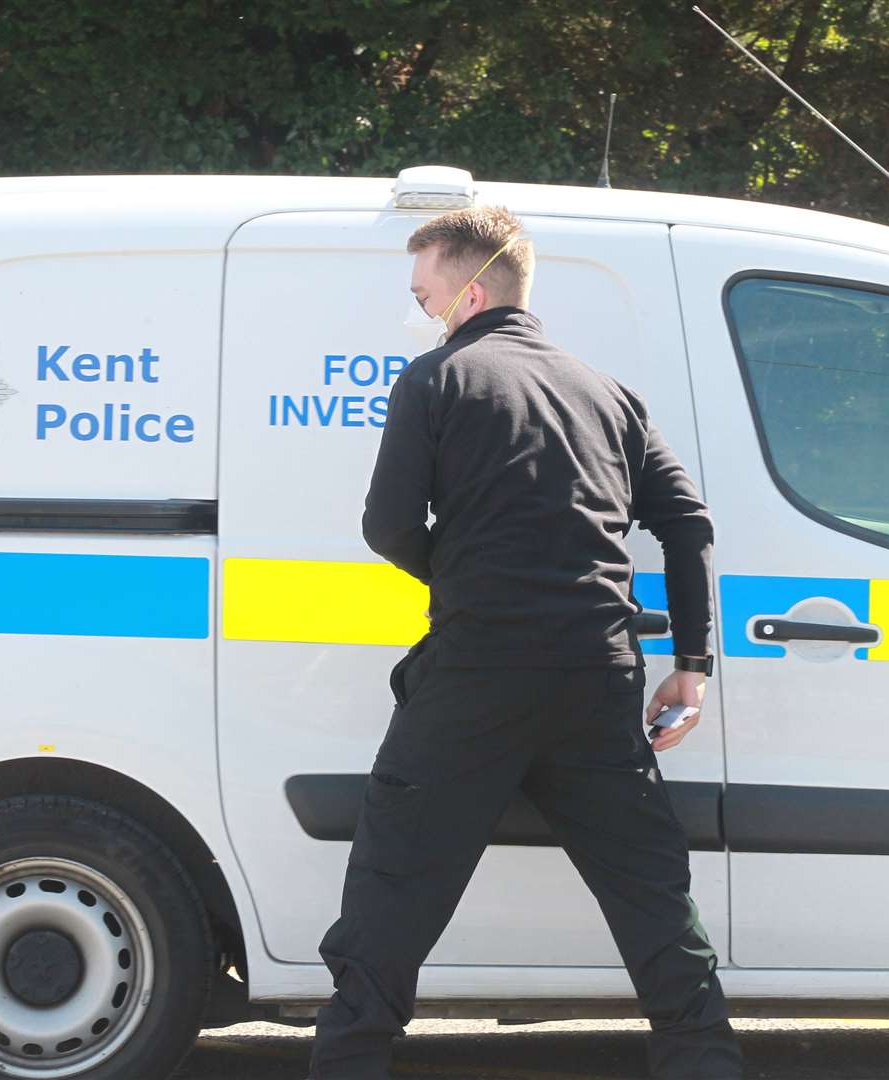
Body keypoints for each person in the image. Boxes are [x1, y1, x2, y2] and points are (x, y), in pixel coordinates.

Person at [309, 205, 743, 1080]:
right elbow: (688, 524)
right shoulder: (606, 393)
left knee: (395, 890)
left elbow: (387, 526)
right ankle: (703, 1061)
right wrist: (692, 668)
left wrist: (472, 582)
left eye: (425, 295)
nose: (421, 312)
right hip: (598, 675)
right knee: (650, 893)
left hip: (476, 676)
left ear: (471, 290)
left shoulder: (437, 381)